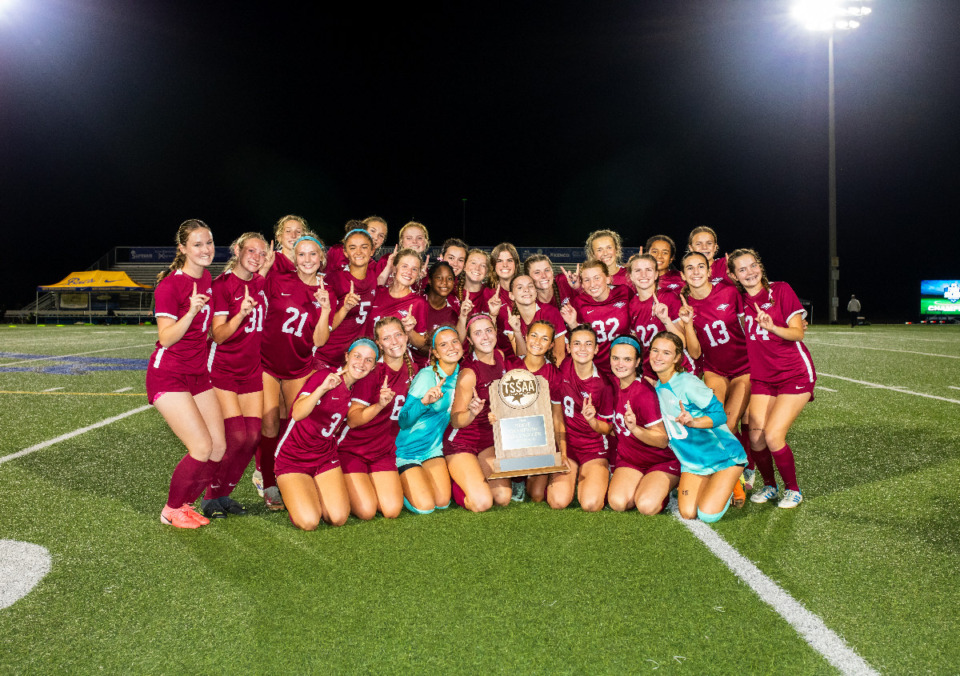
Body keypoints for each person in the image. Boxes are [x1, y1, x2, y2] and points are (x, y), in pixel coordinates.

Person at [148, 219, 224, 528]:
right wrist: (190, 311)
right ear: (182, 249)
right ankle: (170, 509)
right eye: (197, 244)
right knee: (201, 447)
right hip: (168, 375)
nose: (206, 249)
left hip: (197, 374)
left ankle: (186, 504)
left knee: (218, 447)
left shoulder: (206, 277)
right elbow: (165, 338)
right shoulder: (170, 286)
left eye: (209, 242)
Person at [728, 248, 816, 508]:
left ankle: (793, 489)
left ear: (760, 266)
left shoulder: (780, 290)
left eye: (753, 265)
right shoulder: (739, 301)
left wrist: (772, 327)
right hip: (763, 378)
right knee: (755, 438)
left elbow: (798, 333)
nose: (750, 272)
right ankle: (770, 485)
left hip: (794, 373)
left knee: (774, 435)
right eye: (742, 269)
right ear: (734, 276)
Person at [258, 234, 334, 511]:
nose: (307, 260)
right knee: (269, 425)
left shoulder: (327, 291)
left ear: (321, 257)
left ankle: (292, 475)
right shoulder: (279, 280)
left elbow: (320, 341)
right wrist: (264, 269)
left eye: (312, 254)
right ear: (294, 257)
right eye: (301, 254)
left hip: (299, 365)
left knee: (296, 424)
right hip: (267, 364)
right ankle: (269, 483)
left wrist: (325, 310)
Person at [275, 339, 379, 530]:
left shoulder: (357, 389)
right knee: (309, 522)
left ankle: (309, 491)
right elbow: (297, 413)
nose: (361, 363)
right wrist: (322, 389)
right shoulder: (324, 376)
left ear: (373, 367)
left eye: (368, 360)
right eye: (357, 356)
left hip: (324, 457)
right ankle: (295, 494)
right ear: (347, 356)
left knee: (338, 518)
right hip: (294, 457)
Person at [203, 232, 269, 518]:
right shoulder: (222, 286)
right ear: (237, 250)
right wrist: (240, 314)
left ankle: (224, 494)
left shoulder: (261, 283)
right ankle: (209, 496)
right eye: (251, 251)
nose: (256, 257)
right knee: (236, 436)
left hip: (251, 370)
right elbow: (218, 335)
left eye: (262, 253)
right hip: (223, 369)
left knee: (253, 436)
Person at [677, 251, 752, 504]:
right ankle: (730, 481)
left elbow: (748, 325)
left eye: (701, 266)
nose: (696, 272)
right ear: (683, 274)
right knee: (712, 423)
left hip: (743, 368)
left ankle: (733, 481)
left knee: (729, 424)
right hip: (714, 369)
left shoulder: (729, 292)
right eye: (690, 268)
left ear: (710, 270)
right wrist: (687, 323)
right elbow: (696, 352)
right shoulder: (686, 305)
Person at [648, 332, 747, 523]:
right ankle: (712, 481)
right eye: (655, 350)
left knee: (707, 515)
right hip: (692, 462)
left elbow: (719, 415)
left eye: (666, 353)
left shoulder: (687, 382)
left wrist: (694, 422)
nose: (658, 357)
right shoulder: (656, 386)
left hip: (724, 457)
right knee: (688, 513)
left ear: (677, 358)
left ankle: (734, 479)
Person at [339, 318, 415, 520]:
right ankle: (336, 482)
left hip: (383, 451)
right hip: (354, 449)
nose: (394, 342)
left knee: (392, 510)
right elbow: (353, 420)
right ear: (379, 344)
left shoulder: (412, 371)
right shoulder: (373, 372)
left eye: (398, 335)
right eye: (386, 338)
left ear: (406, 337)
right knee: (366, 511)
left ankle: (367, 485)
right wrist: (379, 405)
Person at [444, 314, 510, 512]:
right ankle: (455, 483)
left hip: (487, 439)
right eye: (478, 333)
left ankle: (470, 477)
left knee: (503, 497)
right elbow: (455, 420)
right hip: (462, 441)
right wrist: (472, 413)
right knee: (482, 503)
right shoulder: (469, 373)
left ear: (496, 333)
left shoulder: (500, 356)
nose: (485, 337)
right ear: (470, 340)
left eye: (489, 330)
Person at [395, 326, 463, 513]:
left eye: (454, 341)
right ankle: (395, 481)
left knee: (442, 502)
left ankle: (417, 481)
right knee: (426, 507)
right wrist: (425, 401)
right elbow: (404, 420)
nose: (451, 347)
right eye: (443, 344)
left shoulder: (464, 375)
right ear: (435, 352)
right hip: (407, 451)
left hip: (433, 449)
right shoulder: (427, 376)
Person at [607, 336, 678, 514]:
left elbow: (662, 440)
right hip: (631, 460)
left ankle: (667, 486)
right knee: (618, 503)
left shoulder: (643, 393)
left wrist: (635, 429)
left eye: (627, 359)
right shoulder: (612, 384)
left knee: (646, 506)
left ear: (638, 361)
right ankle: (647, 483)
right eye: (616, 358)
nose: (620, 364)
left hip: (660, 460)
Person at [550, 324, 616, 511]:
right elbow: (557, 412)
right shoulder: (563, 367)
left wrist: (592, 421)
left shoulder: (603, 385)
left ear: (596, 349)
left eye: (588, 344)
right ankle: (576, 476)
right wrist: (562, 452)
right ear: (568, 348)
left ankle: (595, 474)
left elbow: (607, 428)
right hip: (568, 445)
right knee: (558, 502)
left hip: (593, 447)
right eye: (577, 343)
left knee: (591, 504)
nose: (582, 349)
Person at [503, 319, 567, 503]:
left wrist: (561, 452)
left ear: (551, 345)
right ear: (526, 337)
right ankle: (516, 478)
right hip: (513, 436)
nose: (537, 342)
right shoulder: (510, 365)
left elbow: (557, 415)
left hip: (539, 437)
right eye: (534, 336)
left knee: (537, 495)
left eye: (544, 339)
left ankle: (529, 475)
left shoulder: (554, 374)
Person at [314, 228, 378, 370]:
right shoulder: (334, 279)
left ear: (372, 251)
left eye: (364, 247)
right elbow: (325, 326)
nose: (359, 252)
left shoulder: (373, 275)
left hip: (354, 360)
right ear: (345, 252)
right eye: (353, 247)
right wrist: (345, 308)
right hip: (327, 356)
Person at [558, 259, 632, 378]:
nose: (592, 284)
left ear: (608, 278)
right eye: (587, 280)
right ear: (582, 283)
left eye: (597, 278)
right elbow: (579, 338)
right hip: (597, 370)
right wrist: (572, 324)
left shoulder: (624, 292)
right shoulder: (579, 302)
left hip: (625, 367)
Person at [626, 253, 689, 377]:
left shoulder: (668, 297)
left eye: (648, 270)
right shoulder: (632, 303)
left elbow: (682, 343)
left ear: (656, 275)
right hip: (649, 371)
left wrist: (665, 320)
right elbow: (636, 341)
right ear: (631, 276)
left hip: (676, 369)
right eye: (638, 270)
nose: (643, 275)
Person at [367, 248, 429, 352]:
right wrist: (388, 267)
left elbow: (422, 343)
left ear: (418, 274)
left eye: (414, 269)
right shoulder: (378, 292)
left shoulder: (419, 302)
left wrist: (409, 331)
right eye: (404, 266)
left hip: (395, 362)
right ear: (395, 268)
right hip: (368, 356)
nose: (409, 272)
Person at [497, 274, 567, 364]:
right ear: (511, 296)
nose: (526, 290)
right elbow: (522, 356)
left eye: (530, 286)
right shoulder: (511, 320)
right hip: (529, 371)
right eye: (519, 287)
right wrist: (517, 332)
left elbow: (559, 354)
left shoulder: (551, 312)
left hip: (552, 369)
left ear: (536, 291)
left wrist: (549, 375)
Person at [419, 261, 460, 367]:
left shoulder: (455, 307)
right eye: (439, 278)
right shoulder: (418, 303)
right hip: (417, 365)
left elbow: (458, 341)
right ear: (429, 280)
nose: (445, 283)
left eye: (449, 279)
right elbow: (415, 344)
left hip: (446, 367)